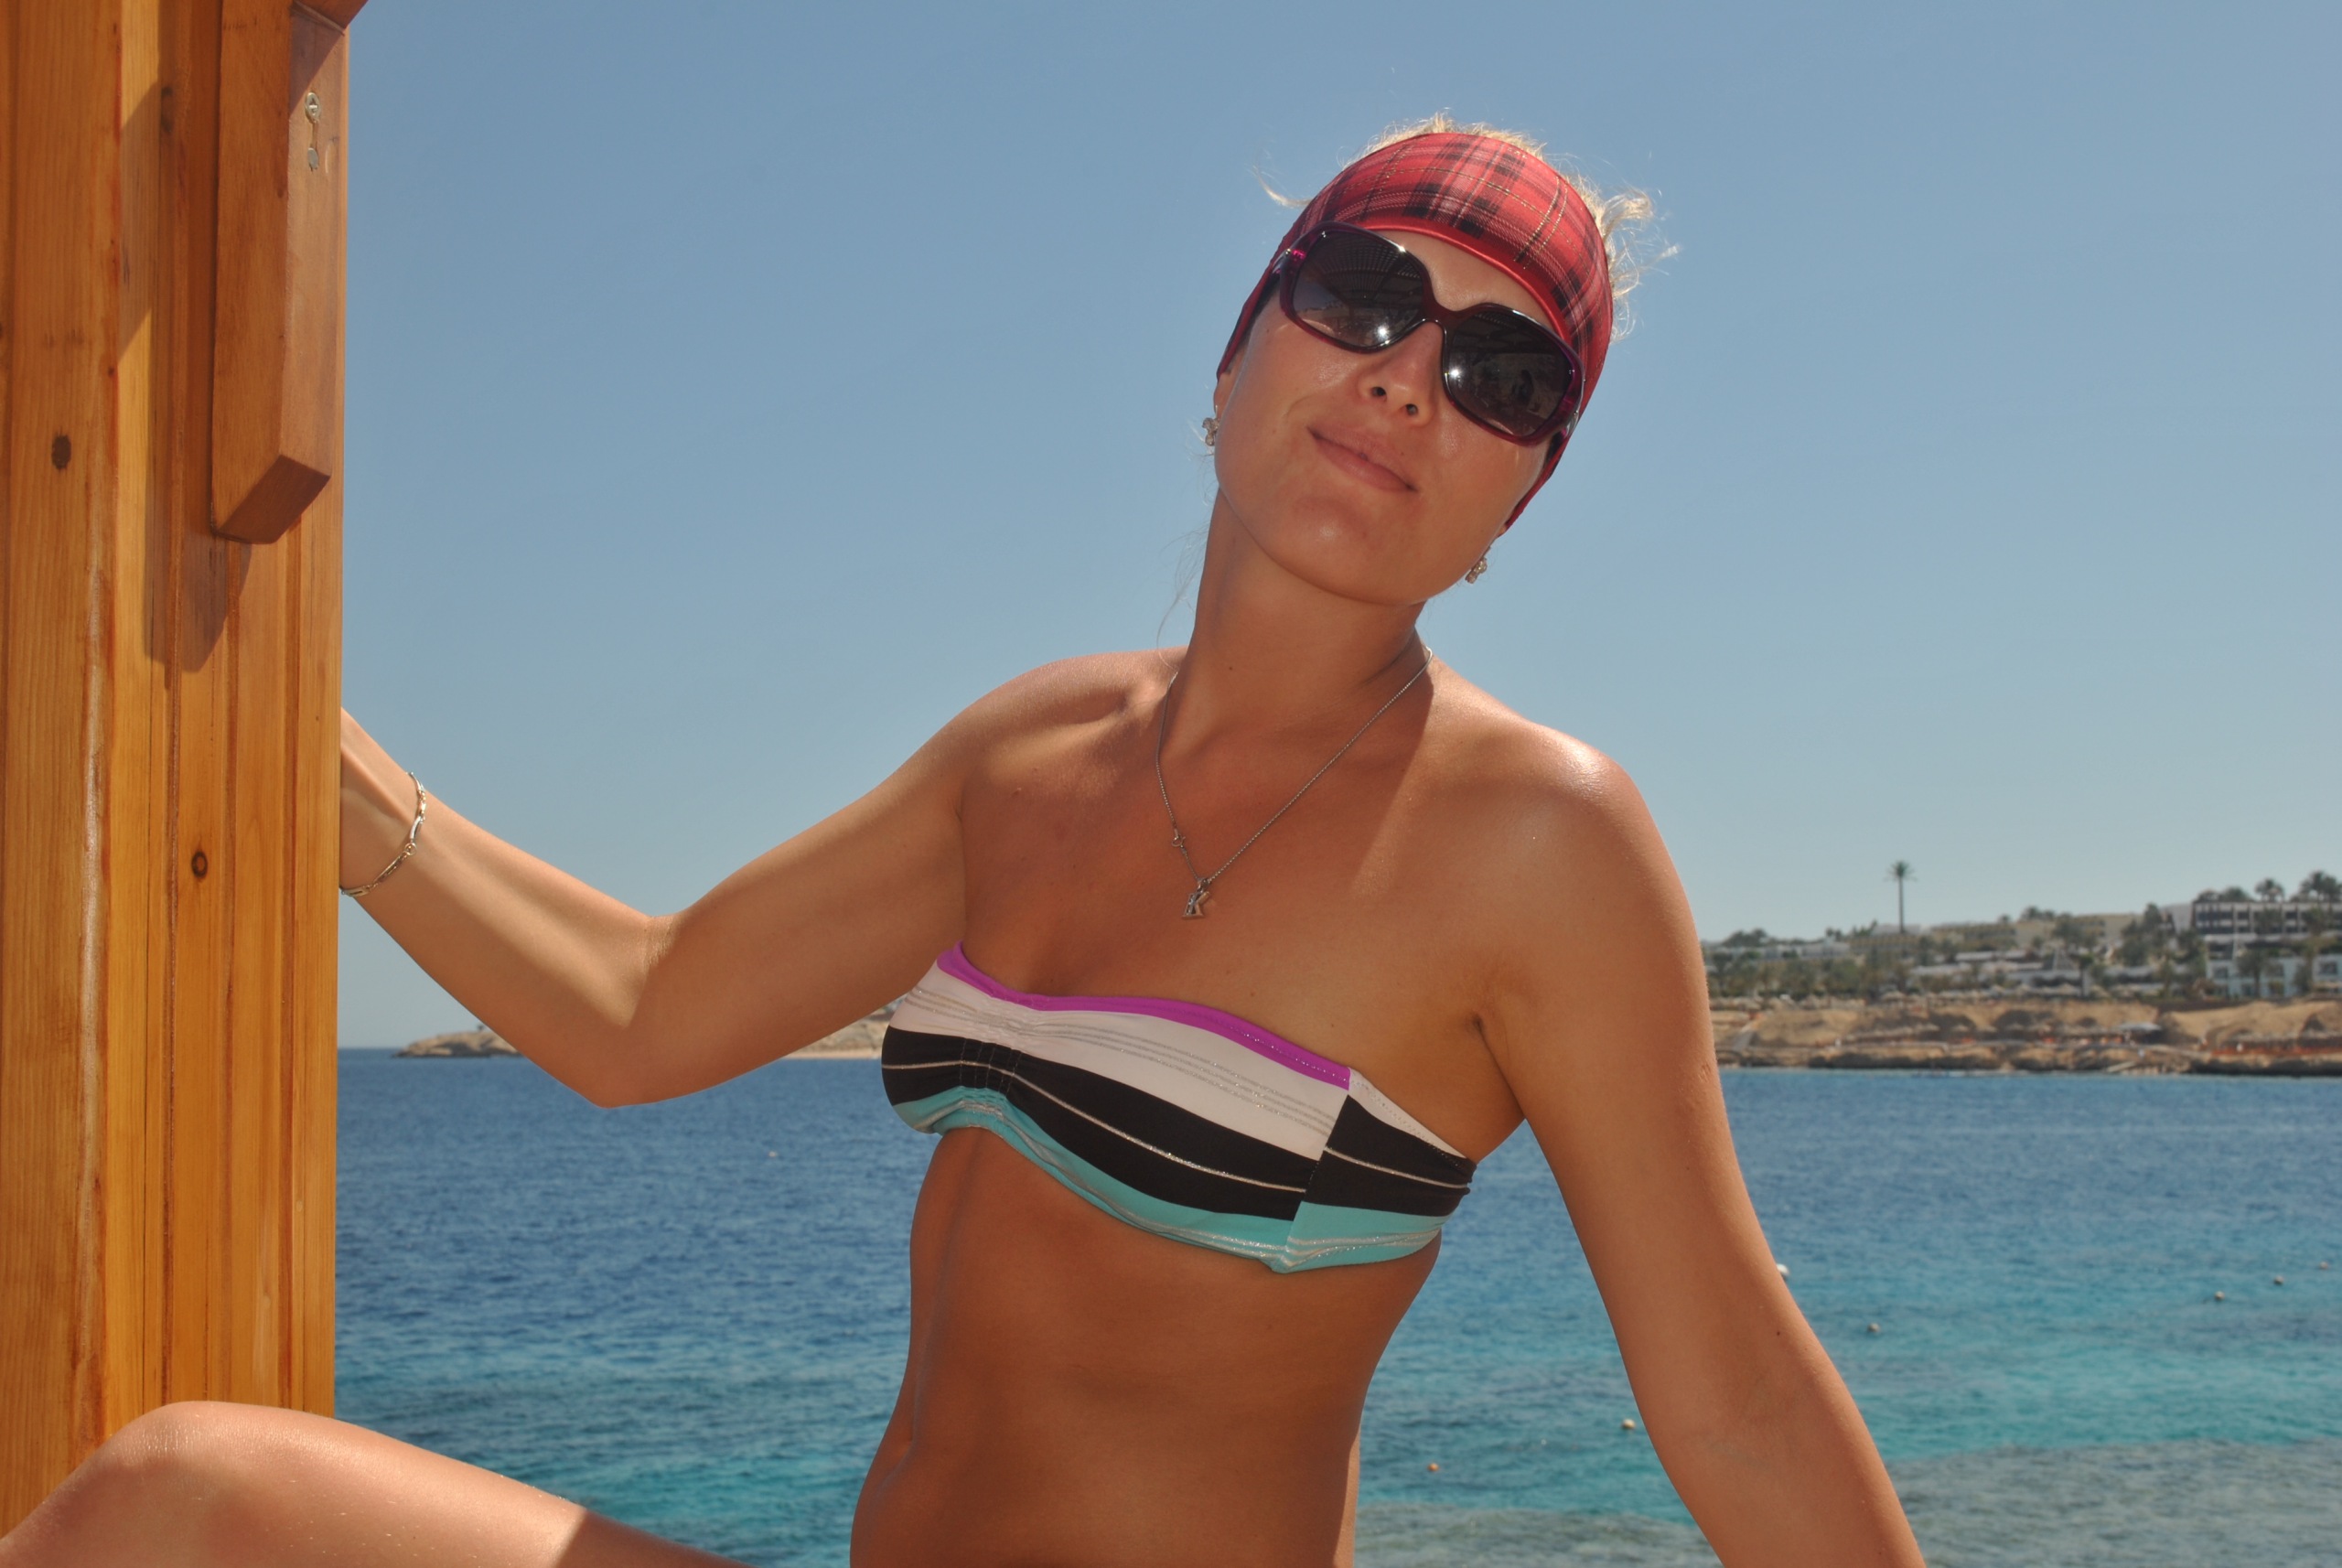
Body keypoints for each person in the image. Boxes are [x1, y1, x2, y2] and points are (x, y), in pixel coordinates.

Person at [0, 118, 1926, 1568]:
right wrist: (318, 773)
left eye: (1503, 377)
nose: (1408, 375)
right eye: (1359, 295)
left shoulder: (1535, 839)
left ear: (1518, 495)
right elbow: (640, 1008)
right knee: (177, 1502)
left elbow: (1738, 1400)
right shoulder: (1035, 752)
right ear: (1235, 355)